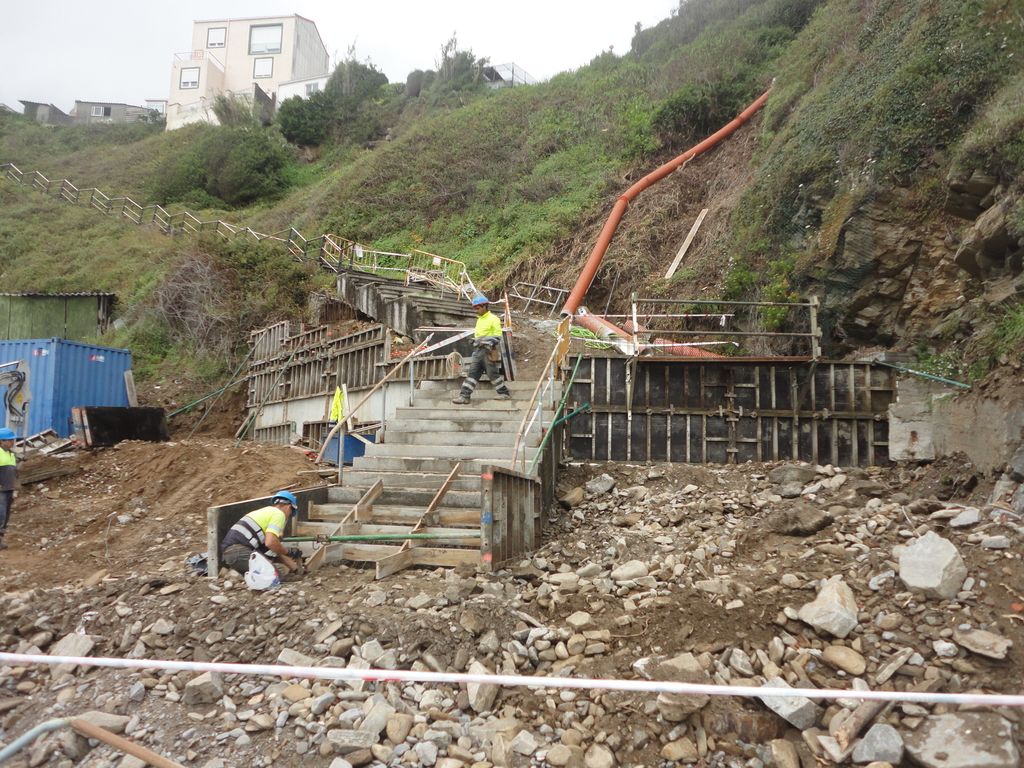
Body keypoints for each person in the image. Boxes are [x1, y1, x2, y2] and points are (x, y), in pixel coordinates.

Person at [220, 491, 301, 577]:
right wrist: (288, 552)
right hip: (240, 552)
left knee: (272, 571)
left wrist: (294, 567)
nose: (288, 516)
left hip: (232, 555)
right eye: (291, 513)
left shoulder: (265, 512)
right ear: (289, 507)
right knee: (274, 575)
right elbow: (271, 542)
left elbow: (273, 550)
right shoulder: (279, 514)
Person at [452, 295, 512, 405]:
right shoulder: (479, 320)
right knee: (472, 374)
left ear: (485, 306)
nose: (476, 310)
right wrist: (475, 340)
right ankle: (464, 396)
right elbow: (480, 336)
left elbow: (497, 336)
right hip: (478, 351)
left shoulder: (493, 319)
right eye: (475, 308)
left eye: (478, 308)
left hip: (487, 351)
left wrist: (483, 341)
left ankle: (504, 393)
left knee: (492, 374)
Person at [0, 428, 16, 550]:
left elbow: (14, 473)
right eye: (10, 440)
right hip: (1, 490)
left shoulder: (11, 454)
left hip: (9, 489)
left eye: (13, 440)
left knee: (5, 516)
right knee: (1, 515)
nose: (12, 442)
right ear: (2, 441)